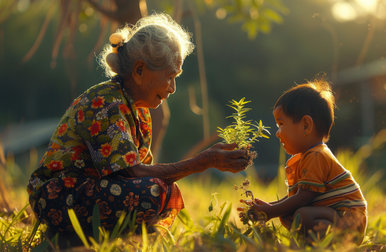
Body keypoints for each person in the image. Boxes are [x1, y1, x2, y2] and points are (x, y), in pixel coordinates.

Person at [27, 13, 251, 244]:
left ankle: (112, 241)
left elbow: (140, 172)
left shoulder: (138, 109)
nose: (173, 88)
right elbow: (132, 174)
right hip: (58, 196)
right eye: (170, 76)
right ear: (140, 71)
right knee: (150, 191)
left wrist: (206, 161)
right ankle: (71, 239)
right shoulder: (105, 103)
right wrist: (203, 161)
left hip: (92, 192)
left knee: (165, 190)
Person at [248, 78, 367, 243]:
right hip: (334, 216)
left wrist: (271, 211)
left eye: (281, 124)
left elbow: (304, 197)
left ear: (306, 125)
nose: (277, 133)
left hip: (350, 221)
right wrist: (270, 207)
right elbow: (298, 195)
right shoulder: (308, 156)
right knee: (292, 214)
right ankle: (310, 244)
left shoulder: (316, 156)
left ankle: (336, 241)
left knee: (302, 214)